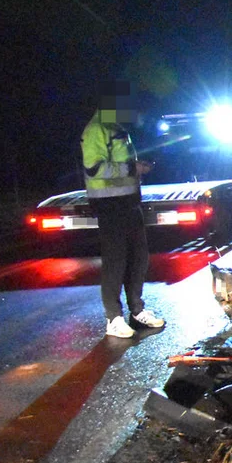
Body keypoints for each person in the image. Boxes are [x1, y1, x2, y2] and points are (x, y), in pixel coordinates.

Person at [81, 81, 165, 339]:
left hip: (129, 203)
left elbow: (122, 165)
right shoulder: (96, 129)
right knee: (116, 262)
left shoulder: (117, 128)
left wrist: (137, 168)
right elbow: (93, 168)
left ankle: (136, 310)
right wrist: (132, 169)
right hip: (110, 205)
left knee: (139, 258)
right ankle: (113, 318)